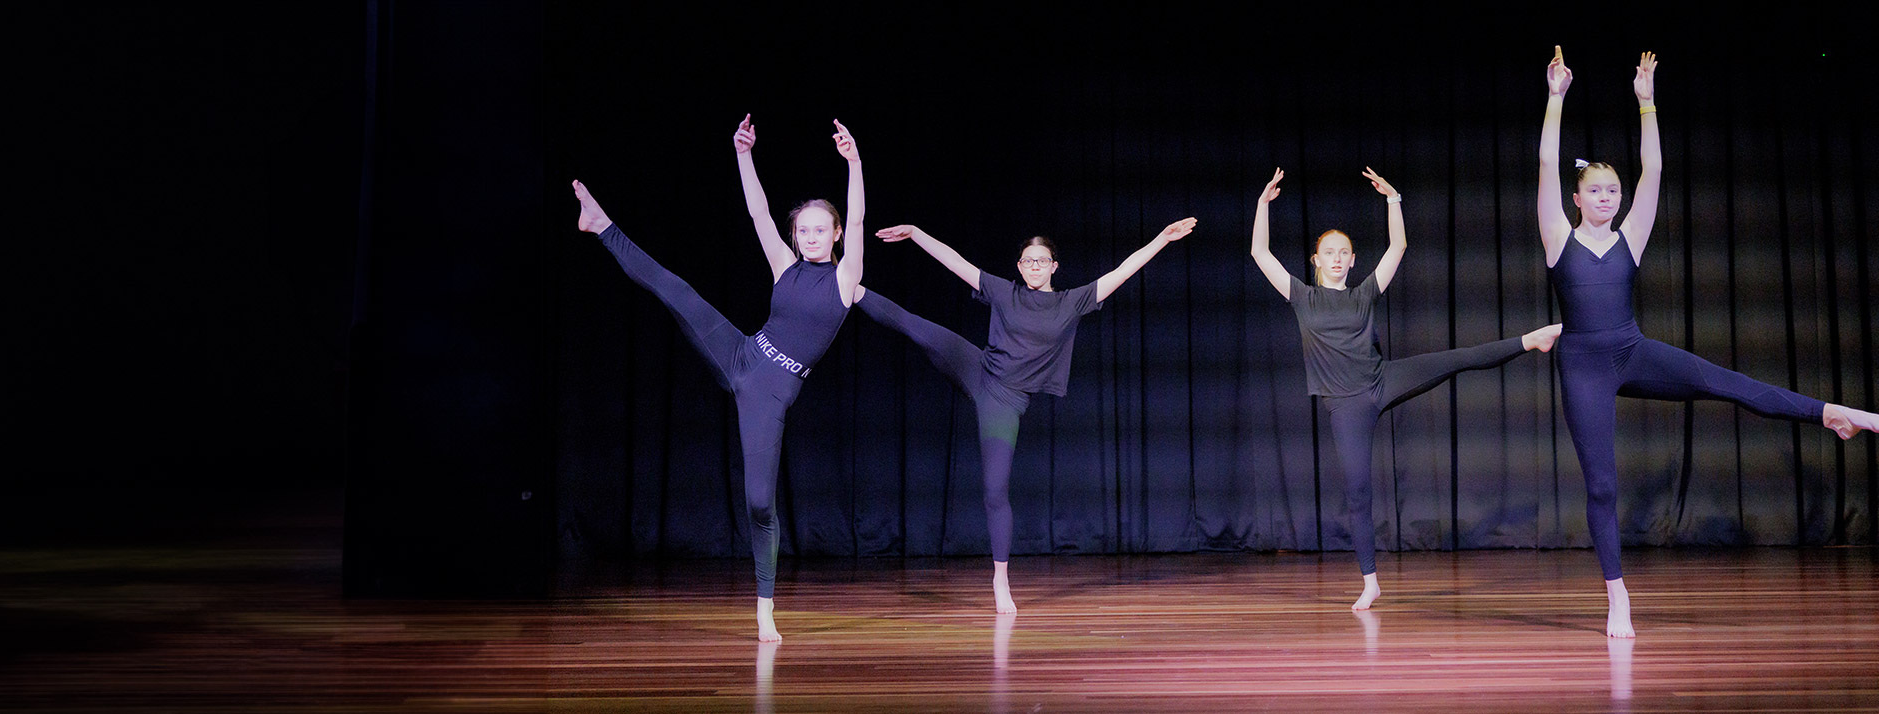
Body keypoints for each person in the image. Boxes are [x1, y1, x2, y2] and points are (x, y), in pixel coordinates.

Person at [1537, 46, 1879, 637]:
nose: (1607, 198)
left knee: (1728, 383)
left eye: (1613, 191)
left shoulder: (1630, 238)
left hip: (1631, 350)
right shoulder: (1557, 238)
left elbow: (1654, 172)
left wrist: (1646, 105)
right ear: (1577, 198)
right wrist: (1554, 98)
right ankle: (1617, 595)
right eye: (1596, 191)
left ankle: (1834, 414)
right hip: (1585, 367)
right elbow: (1547, 162)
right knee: (1602, 483)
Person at [570, 114, 865, 641]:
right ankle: (601, 225)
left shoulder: (845, 280)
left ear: (837, 233)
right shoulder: (785, 265)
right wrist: (743, 155)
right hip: (743, 354)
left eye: (821, 229)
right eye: (803, 230)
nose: (811, 237)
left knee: (759, 503)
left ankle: (765, 606)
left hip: (769, 396)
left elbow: (860, 220)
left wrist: (854, 164)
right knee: (677, 290)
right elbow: (757, 213)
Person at [1249, 166, 1563, 611]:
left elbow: (1397, 246)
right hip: (1346, 405)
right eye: (1329, 253)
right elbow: (1260, 252)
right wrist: (1262, 205)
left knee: (1456, 359)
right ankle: (1370, 582)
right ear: (1316, 260)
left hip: (1382, 380)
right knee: (1358, 492)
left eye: (1344, 253)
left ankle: (1531, 340)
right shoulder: (1303, 297)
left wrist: (1393, 200)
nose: (1337, 258)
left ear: (1353, 261)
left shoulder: (1363, 294)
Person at [856, 215, 1196, 612]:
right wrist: (916, 234)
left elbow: (1122, 271)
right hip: (977, 368)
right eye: (1028, 261)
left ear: (1054, 266)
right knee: (917, 327)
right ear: (1019, 266)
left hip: (1004, 401)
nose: (1035, 266)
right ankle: (849, 288)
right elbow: (955, 262)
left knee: (994, 490)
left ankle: (1000, 579)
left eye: (1042, 260)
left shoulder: (1072, 302)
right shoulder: (1003, 291)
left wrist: (1161, 239)